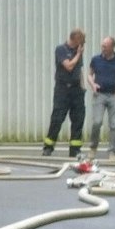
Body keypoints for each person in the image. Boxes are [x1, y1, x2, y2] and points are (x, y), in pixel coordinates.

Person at [43, 28, 87, 158]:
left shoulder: (77, 51)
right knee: (57, 118)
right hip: (63, 89)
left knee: (78, 119)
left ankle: (75, 149)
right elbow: (69, 66)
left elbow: (79, 69)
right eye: (82, 41)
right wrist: (78, 54)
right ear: (76, 39)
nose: (83, 44)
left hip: (76, 89)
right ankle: (48, 147)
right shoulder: (61, 49)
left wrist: (83, 87)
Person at [84, 35, 115, 156]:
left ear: (112, 47)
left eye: (105, 46)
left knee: (114, 124)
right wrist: (93, 84)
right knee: (97, 122)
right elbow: (89, 75)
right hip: (99, 95)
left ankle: (112, 151)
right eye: (102, 46)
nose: (103, 48)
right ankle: (93, 147)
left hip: (114, 96)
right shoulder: (96, 59)